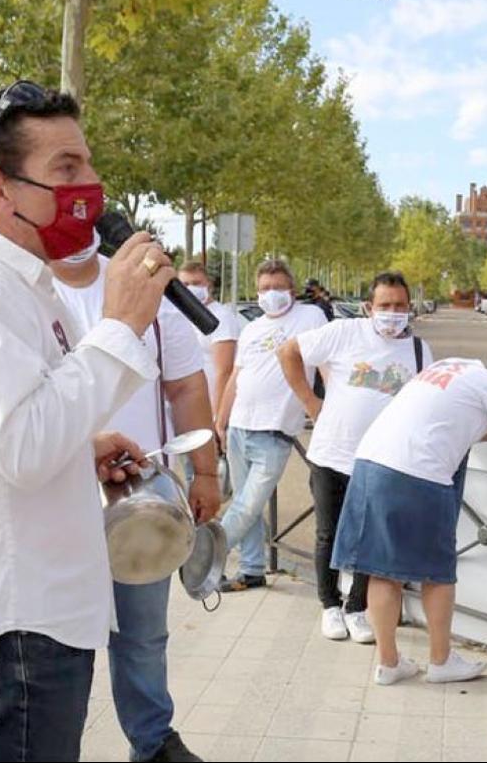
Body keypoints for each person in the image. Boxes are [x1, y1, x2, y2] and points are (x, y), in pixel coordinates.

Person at [0, 81, 171, 761]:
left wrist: (84, 447)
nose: (92, 187)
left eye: (90, 164)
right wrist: (120, 326)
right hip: (15, 621)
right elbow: (24, 446)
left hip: (36, 612)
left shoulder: (10, 280)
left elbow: (15, 430)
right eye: (66, 169)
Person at [52, 235, 219, 763]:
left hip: (140, 503)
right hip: (54, 500)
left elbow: (188, 387)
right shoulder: (25, 285)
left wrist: (206, 472)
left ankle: (152, 742)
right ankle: (50, 745)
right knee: (56, 640)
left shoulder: (146, 285)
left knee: (143, 634)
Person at [332, 360, 487, 686]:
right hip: (418, 474)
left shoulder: (452, 366)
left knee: (380, 570)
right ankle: (441, 661)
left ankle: (389, 664)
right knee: (437, 574)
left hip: (370, 464)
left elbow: (450, 420)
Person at [277, 271, 432, 645]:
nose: (392, 313)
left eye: (399, 306)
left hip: (382, 459)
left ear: (409, 307)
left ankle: (356, 607)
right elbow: (289, 352)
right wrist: (311, 402)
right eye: (384, 306)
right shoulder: (344, 332)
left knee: (368, 537)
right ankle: (329, 604)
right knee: (328, 533)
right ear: (369, 307)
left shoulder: (418, 350)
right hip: (332, 453)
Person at [214, 259, 327, 591]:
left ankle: (205, 555)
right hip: (238, 427)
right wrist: (221, 418)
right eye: (264, 289)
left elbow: (323, 363)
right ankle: (252, 570)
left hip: (275, 430)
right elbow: (237, 375)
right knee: (245, 506)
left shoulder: (309, 318)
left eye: (277, 288)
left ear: (291, 289)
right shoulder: (251, 329)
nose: (271, 294)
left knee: (248, 504)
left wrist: (325, 407)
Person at [178, 261, 244, 418]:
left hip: (209, 406)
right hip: (186, 404)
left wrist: (217, 416)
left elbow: (224, 371)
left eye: (196, 283)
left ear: (209, 285)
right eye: (185, 284)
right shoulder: (179, 315)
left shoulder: (221, 317)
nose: (190, 288)